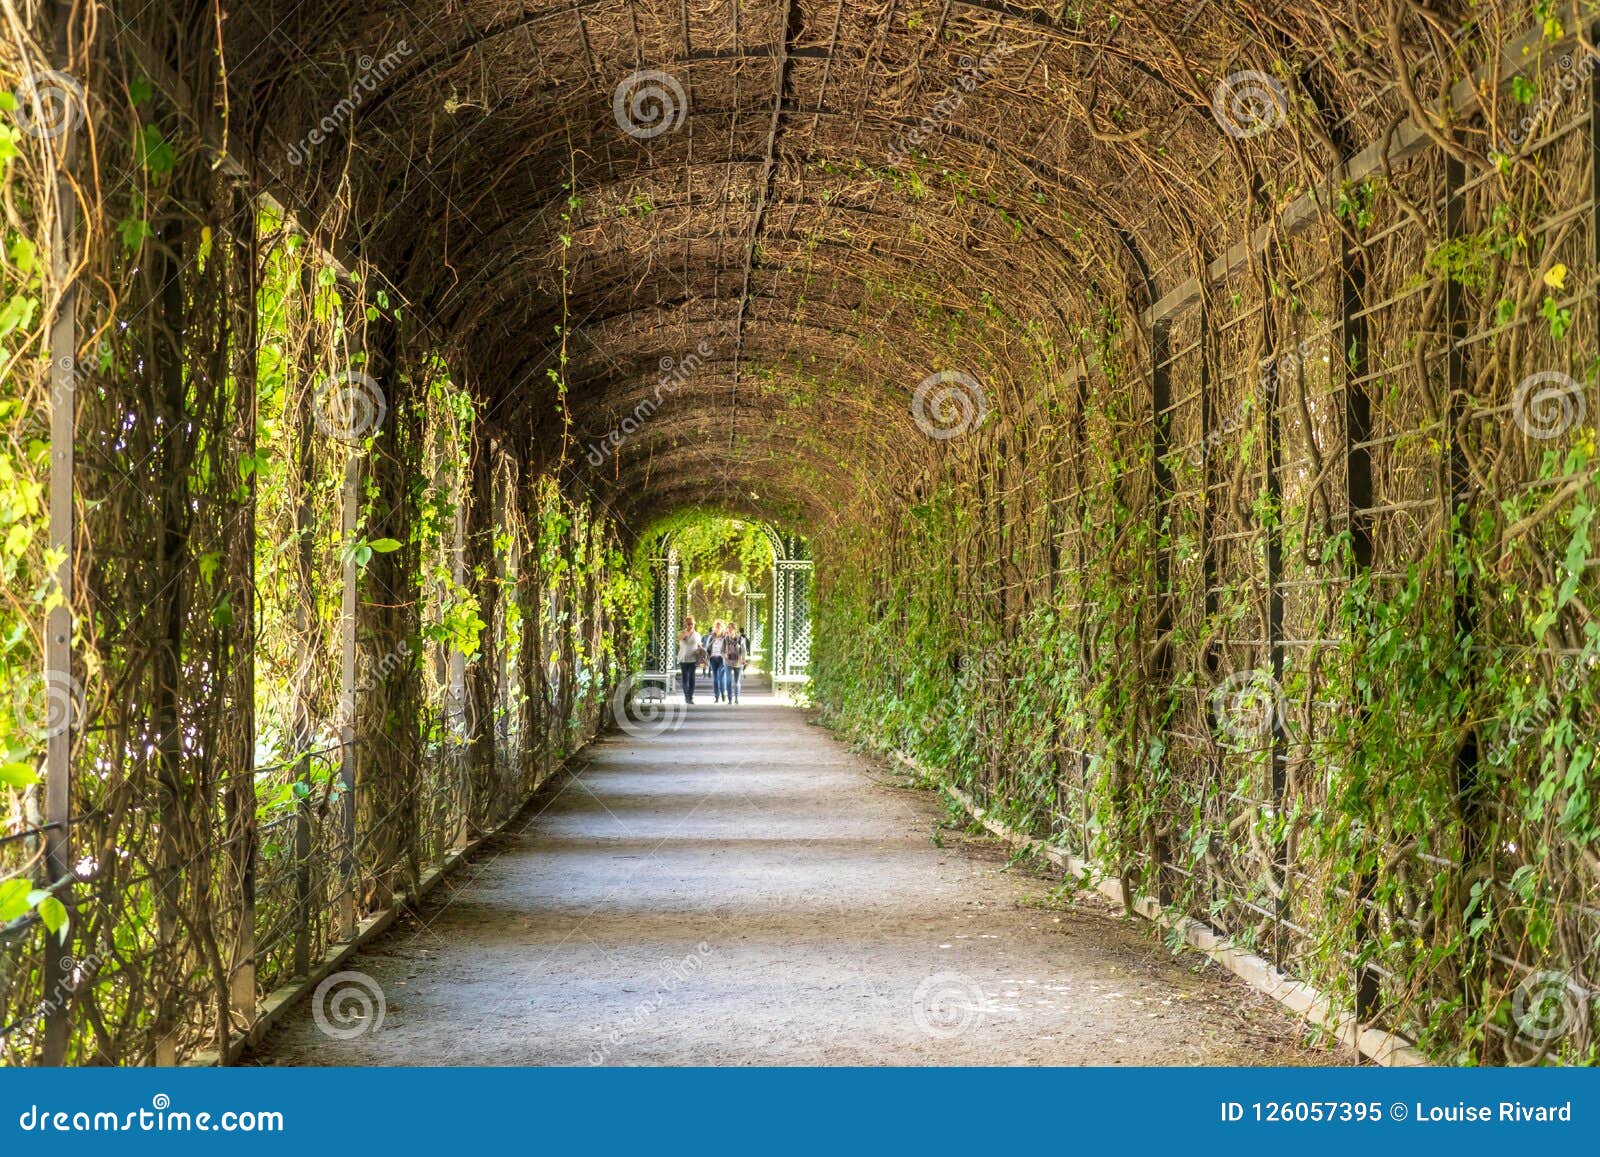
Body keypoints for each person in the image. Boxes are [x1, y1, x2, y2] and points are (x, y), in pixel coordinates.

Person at [677, 617, 703, 704]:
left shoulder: (697, 635)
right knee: (685, 679)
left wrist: (699, 650)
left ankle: (690, 697)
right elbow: (679, 638)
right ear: (686, 624)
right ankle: (686, 696)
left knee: (692, 678)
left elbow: (699, 645)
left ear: (694, 624)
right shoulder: (682, 633)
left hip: (693, 659)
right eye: (688, 624)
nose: (690, 625)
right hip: (683, 659)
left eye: (692, 624)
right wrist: (686, 634)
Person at [723, 623, 748, 704]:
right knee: (729, 681)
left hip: (738, 662)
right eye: (728, 628)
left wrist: (743, 659)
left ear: (734, 630)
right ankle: (730, 699)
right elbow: (722, 650)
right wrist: (724, 655)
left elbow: (744, 650)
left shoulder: (740, 639)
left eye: (731, 628)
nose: (729, 630)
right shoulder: (725, 639)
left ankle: (736, 698)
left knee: (737, 682)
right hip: (728, 662)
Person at [707, 619, 728, 702]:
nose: (717, 629)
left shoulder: (725, 637)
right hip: (713, 659)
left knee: (721, 677)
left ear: (722, 628)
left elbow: (728, 648)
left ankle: (723, 693)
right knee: (715, 679)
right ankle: (716, 696)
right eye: (716, 627)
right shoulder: (711, 637)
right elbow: (707, 647)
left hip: (721, 659)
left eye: (719, 627)